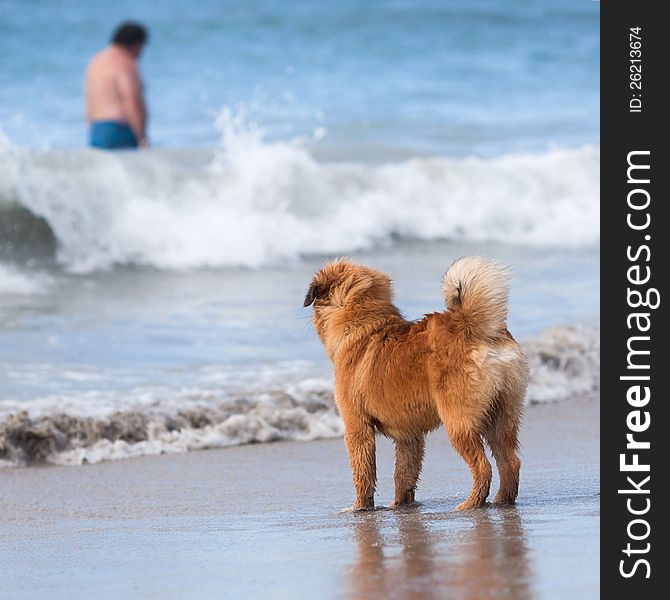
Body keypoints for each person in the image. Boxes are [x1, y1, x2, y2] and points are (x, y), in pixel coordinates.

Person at [85, 22, 149, 150]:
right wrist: (142, 136)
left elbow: (89, 98)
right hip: (120, 128)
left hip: (97, 128)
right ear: (137, 44)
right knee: (130, 169)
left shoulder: (96, 61)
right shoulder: (125, 62)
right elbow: (131, 99)